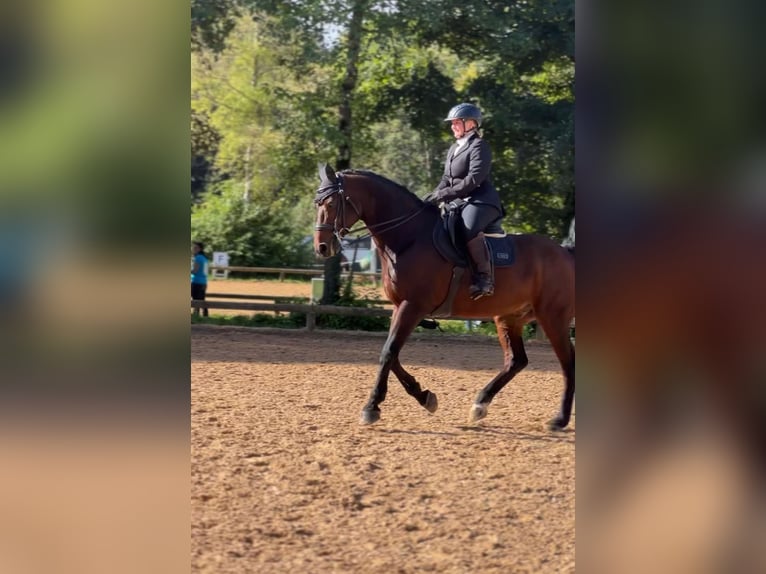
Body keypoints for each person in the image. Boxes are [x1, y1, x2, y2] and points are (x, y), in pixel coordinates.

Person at [423, 103, 504, 300]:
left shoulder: (479, 146)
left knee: (467, 227)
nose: (453, 126)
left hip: (481, 200)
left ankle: (485, 279)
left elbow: (473, 180)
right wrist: (433, 195)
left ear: (471, 124)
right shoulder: (454, 148)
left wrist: (445, 194)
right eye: (452, 123)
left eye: (457, 122)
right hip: (460, 200)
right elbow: (446, 178)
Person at [191, 241, 209, 317]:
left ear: (200, 249)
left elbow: (195, 271)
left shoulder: (198, 258)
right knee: (201, 299)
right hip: (203, 282)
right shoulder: (205, 258)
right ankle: (204, 315)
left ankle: (197, 314)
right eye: (193, 247)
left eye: (195, 248)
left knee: (196, 300)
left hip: (196, 282)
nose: (193, 249)